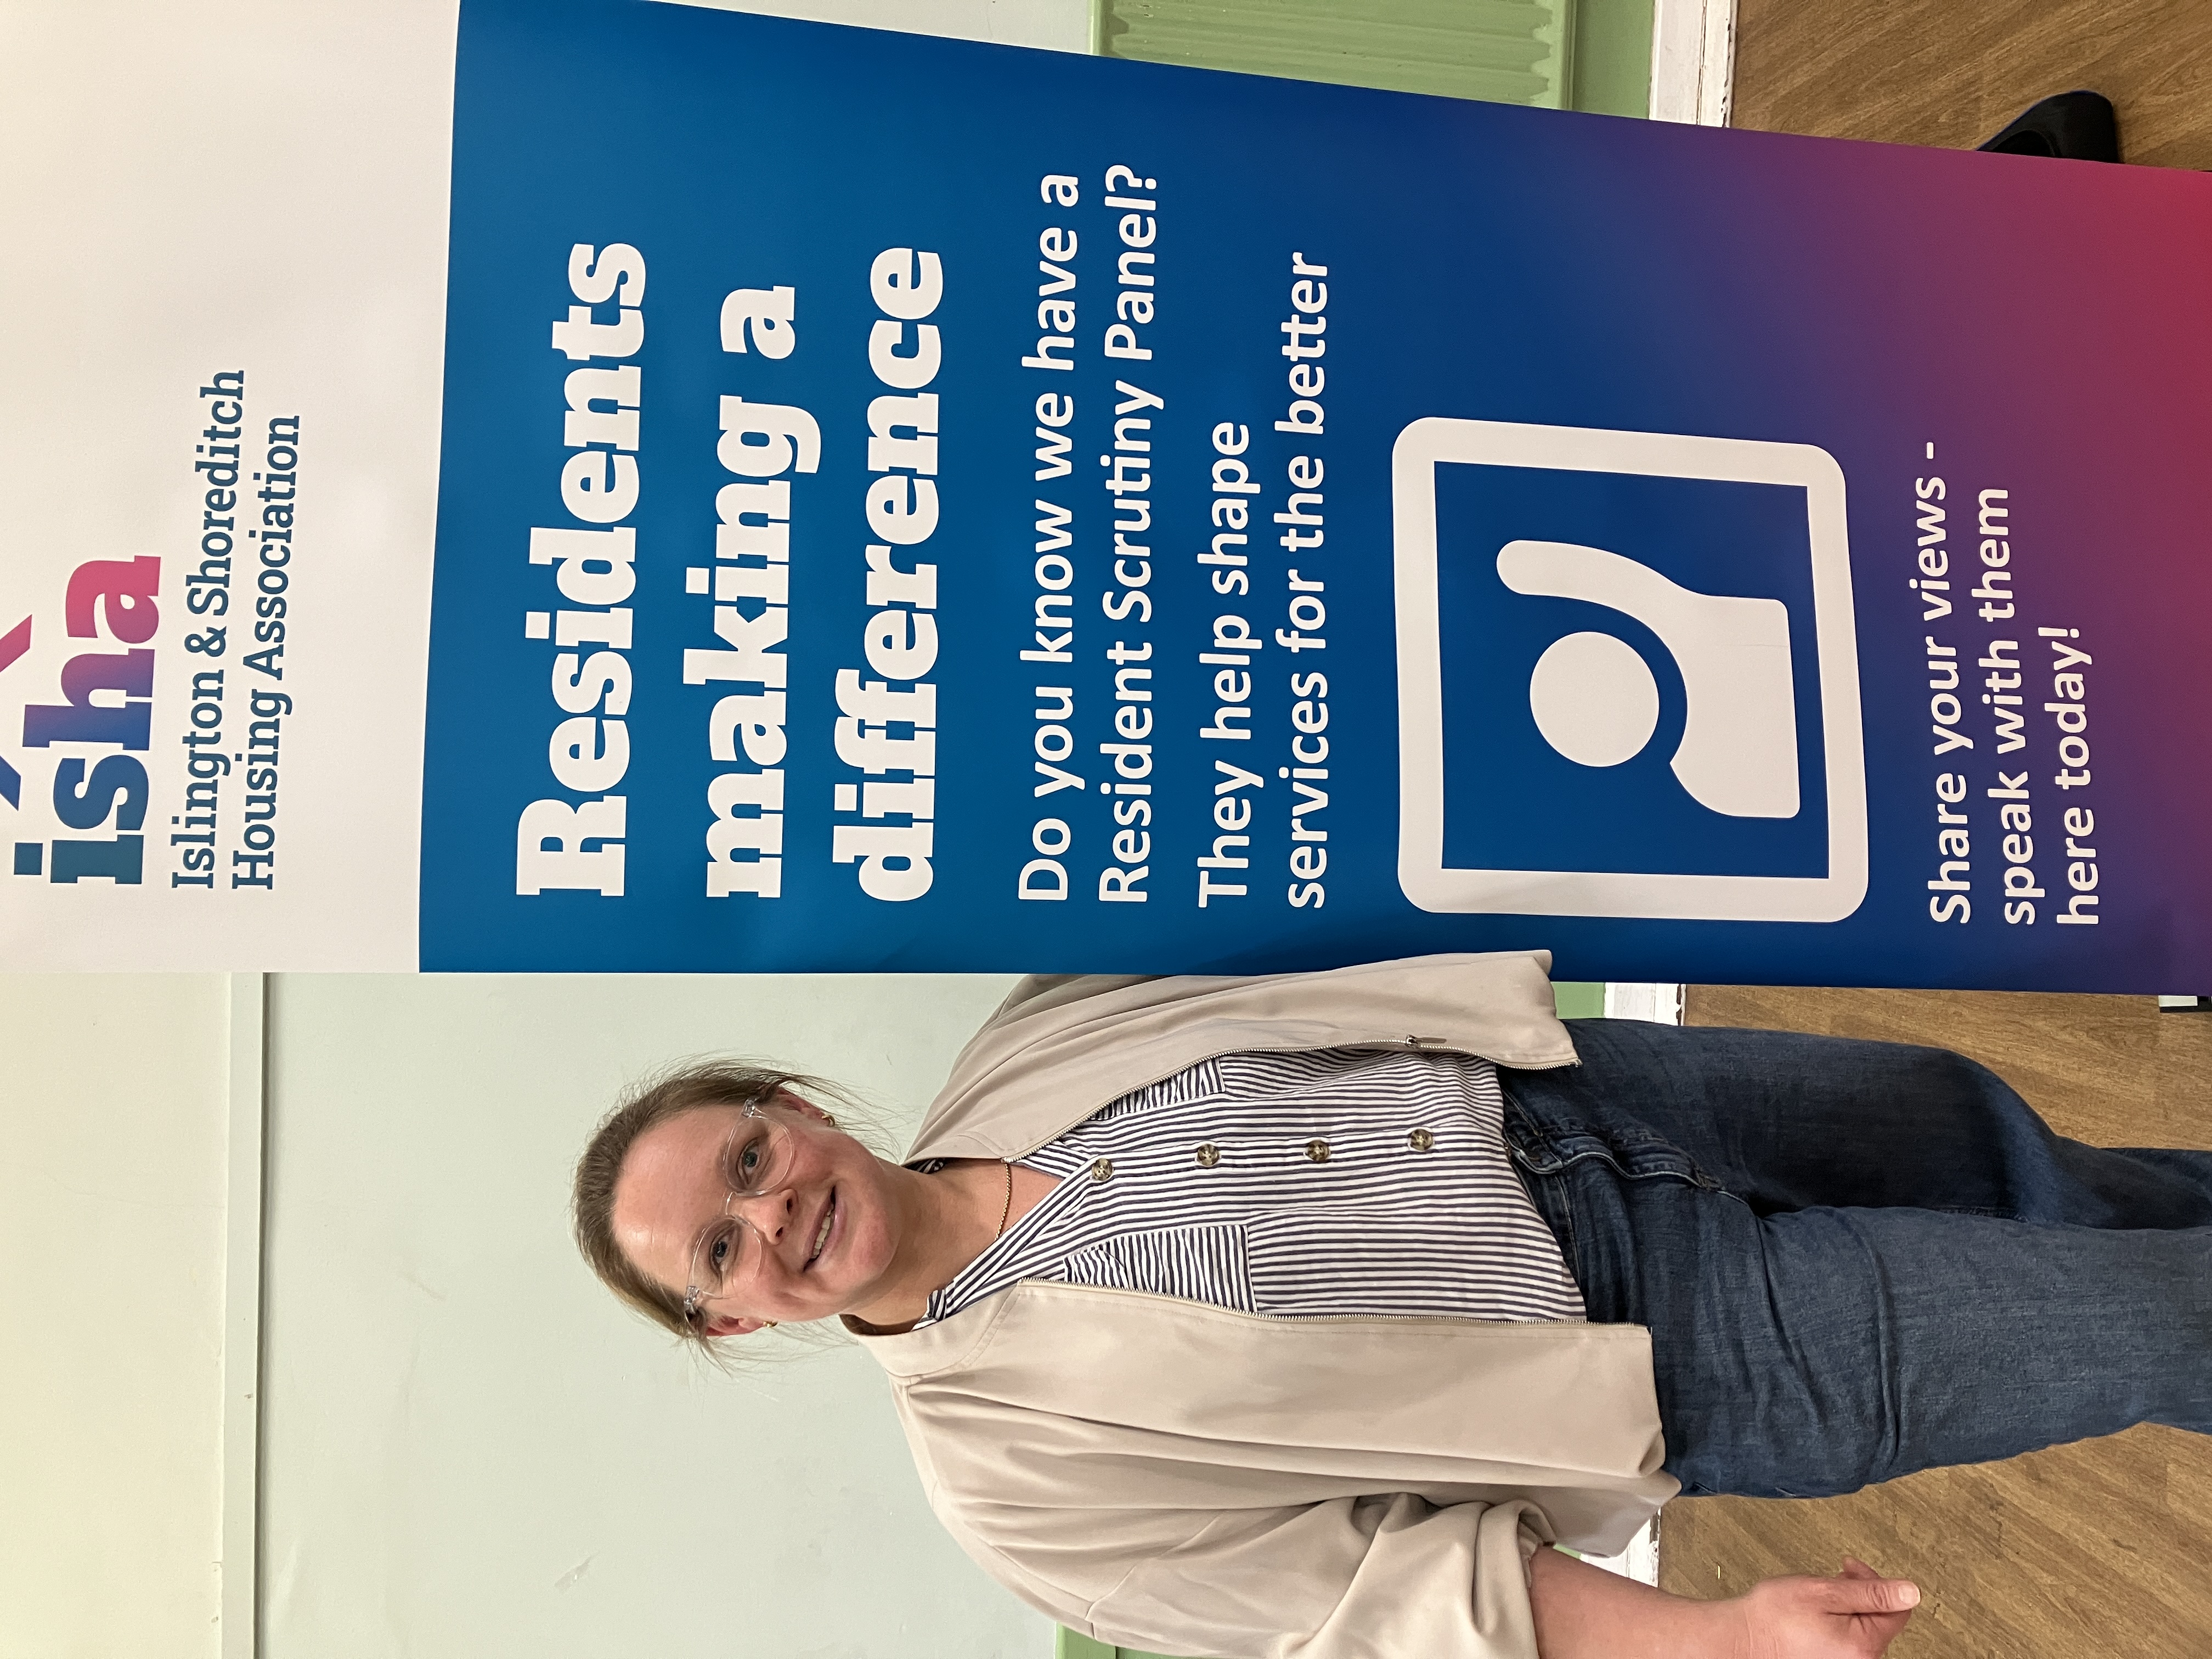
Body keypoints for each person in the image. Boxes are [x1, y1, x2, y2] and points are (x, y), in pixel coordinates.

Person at [572, 952, 2212, 1659]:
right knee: (2151, 1328)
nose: (766, 1212)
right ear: (736, 1327)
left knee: (2041, 1175)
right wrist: (1706, 1639)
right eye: (718, 1253)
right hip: (1678, 1356)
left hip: (1596, 1097)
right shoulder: (1009, 1488)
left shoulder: (1025, 1044)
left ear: (788, 1106)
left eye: (747, 1156)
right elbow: (1380, 1601)